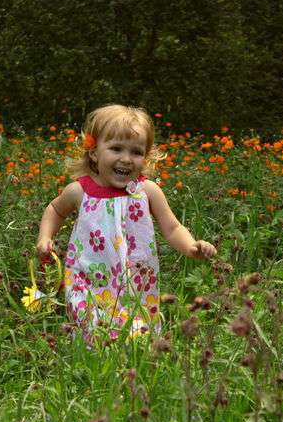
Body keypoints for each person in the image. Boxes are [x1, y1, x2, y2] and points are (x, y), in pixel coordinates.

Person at [36, 104, 216, 342]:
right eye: (116, 148)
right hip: (87, 276)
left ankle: (132, 359)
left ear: (146, 156)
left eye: (136, 152)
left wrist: (192, 247)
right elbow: (55, 210)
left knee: (137, 332)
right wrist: (44, 237)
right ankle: (90, 360)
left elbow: (172, 228)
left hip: (136, 280)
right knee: (91, 327)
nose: (126, 159)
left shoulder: (147, 191)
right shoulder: (80, 191)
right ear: (94, 152)